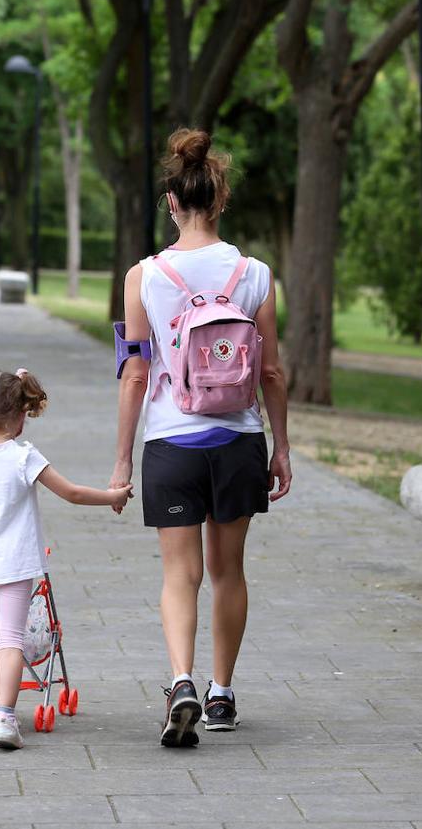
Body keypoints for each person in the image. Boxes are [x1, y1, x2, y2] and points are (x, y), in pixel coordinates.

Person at [111, 128, 291, 748]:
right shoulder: (256, 274)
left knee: (179, 574)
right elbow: (269, 369)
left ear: (171, 202)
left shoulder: (144, 278)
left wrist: (121, 462)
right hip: (239, 440)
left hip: (170, 441)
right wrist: (281, 446)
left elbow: (135, 373)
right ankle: (221, 694)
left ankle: (181, 680)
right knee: (228, 571)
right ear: (220, 200)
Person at [0, 367, 133, 750]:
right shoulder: (23, 458)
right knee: (12, 640)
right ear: (21, 415)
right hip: (15, 565)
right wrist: (112, 497)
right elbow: (73, 494)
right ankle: (7, 719)